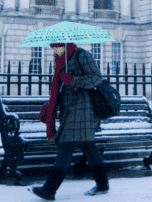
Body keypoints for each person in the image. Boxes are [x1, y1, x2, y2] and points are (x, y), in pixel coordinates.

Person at [30, 42, 108, 200]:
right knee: (88, 146)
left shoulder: (82, 55)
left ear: (66, 45)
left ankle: (49, 190)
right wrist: (51, 105)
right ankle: (102, 184)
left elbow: (97, 78)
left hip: (84, 110)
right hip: (70, 110)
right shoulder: (62, 60)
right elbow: (61, 87)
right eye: (54, 47)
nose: (55, 50)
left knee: (66, 145)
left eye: (57, 47)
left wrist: (73, 80)